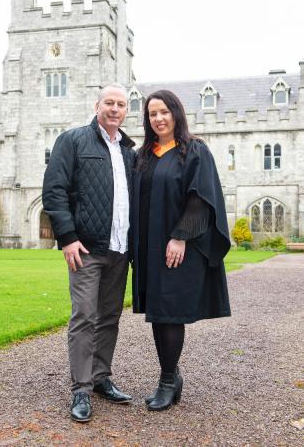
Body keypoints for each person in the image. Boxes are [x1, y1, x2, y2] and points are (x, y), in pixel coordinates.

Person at [132, 89, 231, 412]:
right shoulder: (145, 155)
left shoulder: (194, 151)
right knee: (158, 314)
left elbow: (201, 199)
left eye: (164, 112)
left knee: (170, 312)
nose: (158, 118)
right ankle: (172, 377)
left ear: (176, 113)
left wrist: (180, 237)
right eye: (152, 114)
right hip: (149, 246)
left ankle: (166, 380)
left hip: (176, 246)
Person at [42, 84, 135, 422]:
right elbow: (54, 189)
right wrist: (66, 237)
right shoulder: (73, 140)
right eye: (108, 103)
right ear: (97, 105)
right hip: (86, 248)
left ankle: (100, 378)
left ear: (127, 110)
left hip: (120, 249)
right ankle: (80, 388)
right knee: (84, 316)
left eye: (121, 104)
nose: (114, 109)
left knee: (110, 317)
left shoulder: (128, 150)